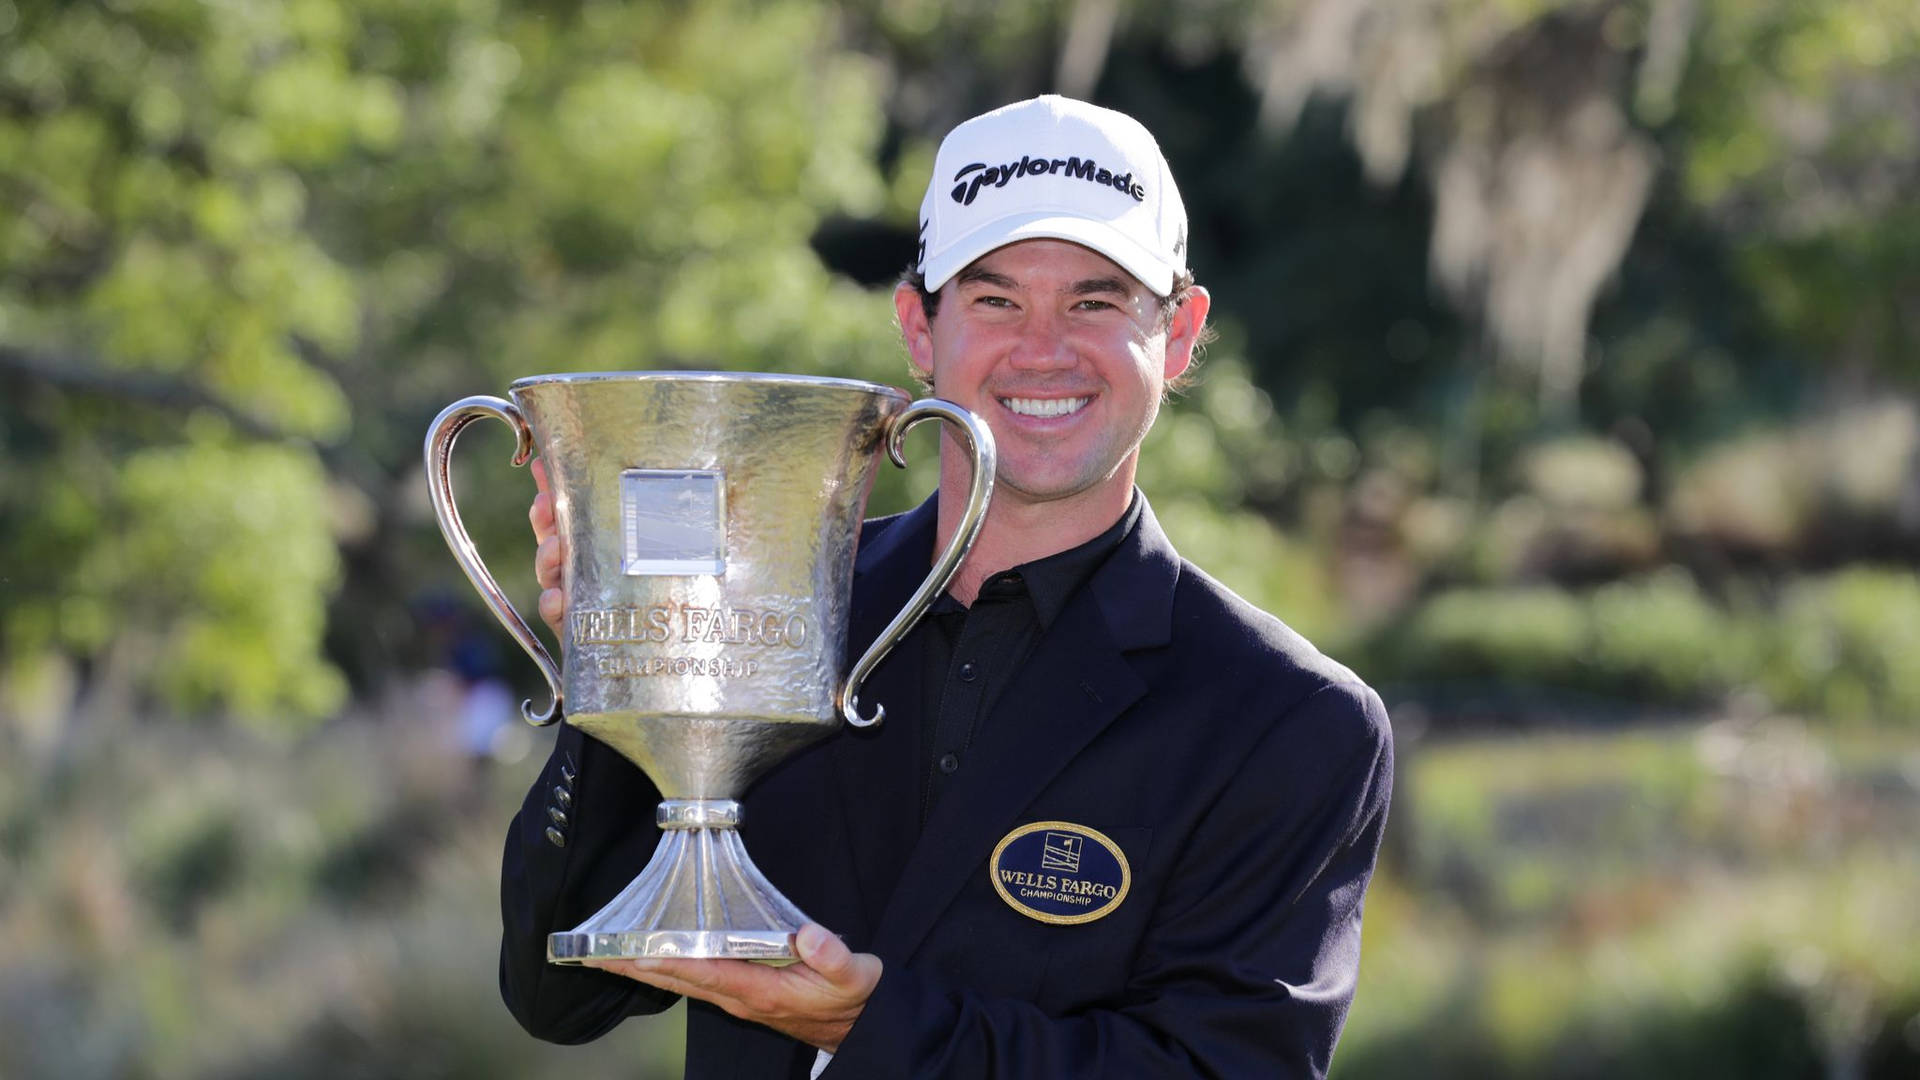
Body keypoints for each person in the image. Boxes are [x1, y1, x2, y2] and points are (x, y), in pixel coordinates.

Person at [500, 94, 1393, 1079]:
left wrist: (868, 1028)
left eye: (1096, 301)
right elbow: (559, 994)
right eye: (996, 299)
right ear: (919, 328)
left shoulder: (1288, 719)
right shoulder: (768, 609)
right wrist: (621, 664)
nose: (1043, 348)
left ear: (1178, 332)